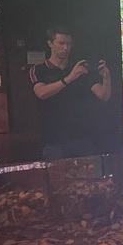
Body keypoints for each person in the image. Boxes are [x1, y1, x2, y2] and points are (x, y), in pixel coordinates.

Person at [30, 25, 111, 160]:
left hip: (82, 137)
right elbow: (41, 93)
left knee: (88, 178)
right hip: (54, 139)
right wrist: (69, 78)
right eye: (61, 43)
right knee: (57, 178)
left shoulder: (80, 69)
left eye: (68, 44)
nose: (65, 48)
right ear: (50, 43)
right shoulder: (39, 70)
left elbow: (103, 95)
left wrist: (107, 78)